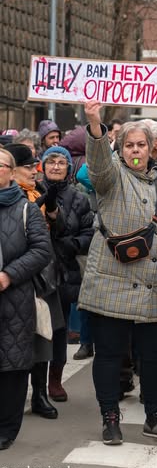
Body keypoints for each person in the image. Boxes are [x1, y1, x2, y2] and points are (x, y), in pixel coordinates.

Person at [80, 100, 157, 446]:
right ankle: (110, 416)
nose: (136, 150)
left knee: (155, 357)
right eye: (129, 145)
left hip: (156, 288)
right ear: (120, 148)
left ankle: (155, 417)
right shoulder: (110, 176)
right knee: (110, 355)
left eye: (141, 144)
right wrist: (95, 125)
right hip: (112, 284)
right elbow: (97, 164)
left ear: (152, 147)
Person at [4, 143, 63, 421]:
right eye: (28, 166)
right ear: (11, 171)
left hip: (42, 278)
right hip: (17, 281)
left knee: (43, 338)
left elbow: (55, 237)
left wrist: (52, 211)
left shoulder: (37, 194)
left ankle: (39, 394)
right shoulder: (19, 202)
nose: (34, 171)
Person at [0, 146, 52, 450]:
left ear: (9, 171)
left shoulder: (25, 208)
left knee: (13, 364)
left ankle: (7, 426)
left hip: (14, 297)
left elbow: (41, 251)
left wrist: (9, 275)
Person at [39, 147, 94, 403]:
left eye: (62, 163)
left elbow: (88, 233)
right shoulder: (32, 193)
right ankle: (37, 384)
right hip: (37, 272)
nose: (57, 167)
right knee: (36, 329)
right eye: (51, 162)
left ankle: (55, 380)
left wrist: (74, 245)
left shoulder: (79, 198)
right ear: (43, 166)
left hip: (64, 271)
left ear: (69, 169)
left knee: (59, 329)